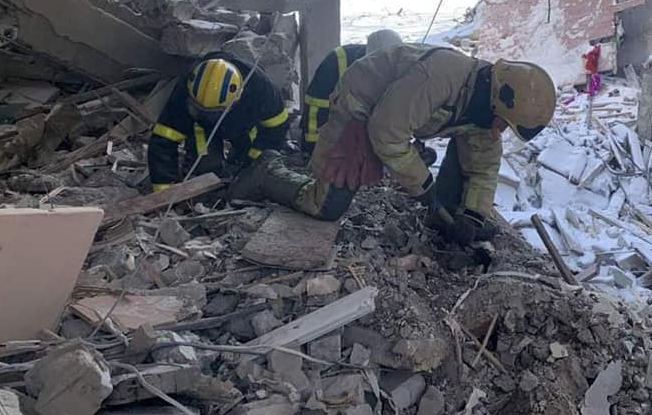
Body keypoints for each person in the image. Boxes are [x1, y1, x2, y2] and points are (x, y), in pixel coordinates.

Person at [230, 44, 555, 250]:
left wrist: (473, 216)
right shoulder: (441, 76)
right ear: (499, 101)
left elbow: (484, 165)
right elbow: (386, 133)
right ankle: (266, 171)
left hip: (392, 117)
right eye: (504, 123)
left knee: (470, 152)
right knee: (325, 207)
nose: (500, 130)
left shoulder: (485, 105)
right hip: (361, 107)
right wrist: (424, 188)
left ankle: (445, 222)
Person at [148, 53, 289, 191]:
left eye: (215, 111)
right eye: (200, 108)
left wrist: (253, 162)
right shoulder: (186, 89)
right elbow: (164, 140)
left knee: (247, 163)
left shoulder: (260, 89)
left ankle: (240, 160)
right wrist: (164, 191)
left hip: (243, 124)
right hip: (201, 127)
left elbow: (276, 128)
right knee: (207, 167)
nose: (210, 115)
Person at [301, 29, 403, 154]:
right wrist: (313, 148)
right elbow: (316, 107)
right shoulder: (338, 60)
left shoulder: (403, 65)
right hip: (336, 129)